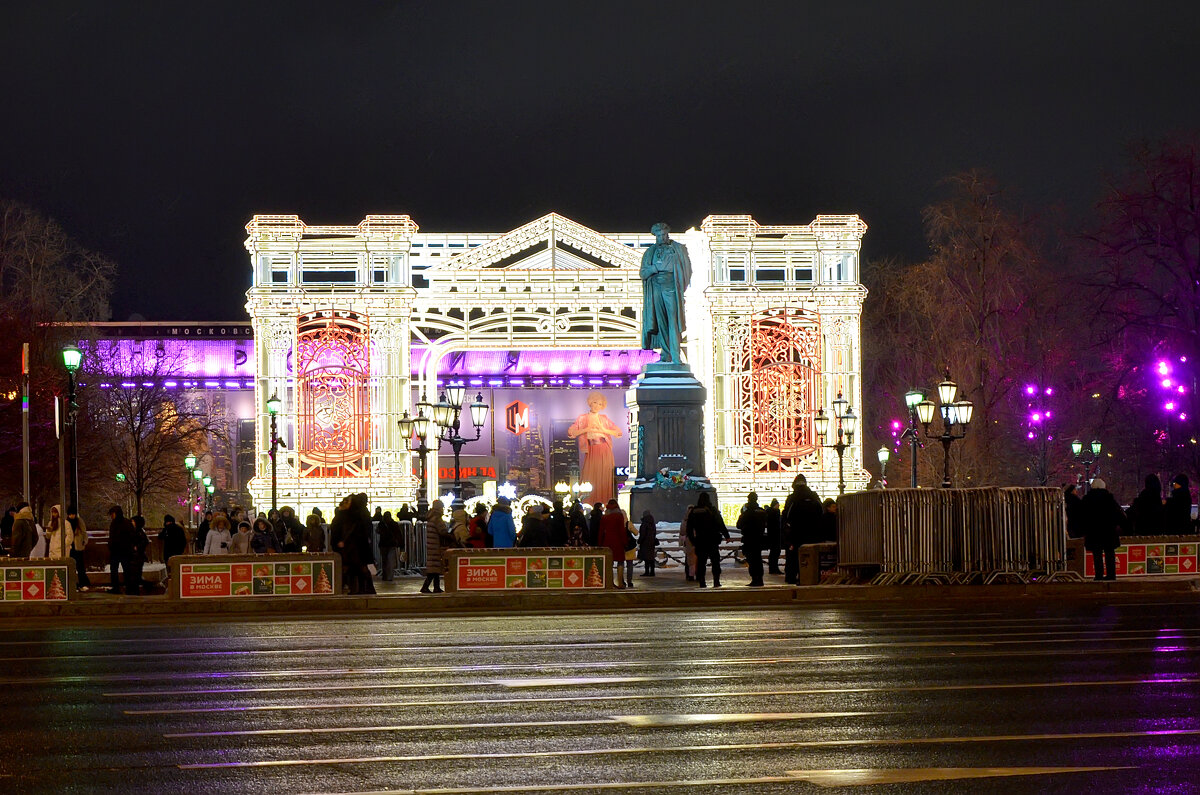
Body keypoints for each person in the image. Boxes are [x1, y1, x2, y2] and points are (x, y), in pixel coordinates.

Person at [639, 222, 692, 365]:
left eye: (663, 234)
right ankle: (666, 354)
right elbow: (643, 273)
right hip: (656, 288)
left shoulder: (678, 249)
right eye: (658, 235)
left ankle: (675, 356)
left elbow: (687, 270)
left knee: (673, 321)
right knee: (661, 322)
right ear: (655, 236)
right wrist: (655, 268)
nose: (661, 237)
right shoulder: (650, 252)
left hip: (671, 287)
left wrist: (681, 287)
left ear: (667, 234)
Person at [566, 391, 623, 504]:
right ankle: (589, 503)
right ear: (590, 403)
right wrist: (586, 429)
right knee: (589, 477)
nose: (597, 406)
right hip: (591, 450)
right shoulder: (582, 418)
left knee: (604, 477)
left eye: (600, 404)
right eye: (595, 402)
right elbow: (571, 432)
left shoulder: (604, 418)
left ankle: (605, 503)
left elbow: (618, 432)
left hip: (604, 449)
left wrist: (603, 429)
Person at [1081, 477, 1128, 581]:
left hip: (1093, 531)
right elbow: (1119, 515)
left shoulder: (1087, 499)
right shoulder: (1109, 499)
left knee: (1097, 553)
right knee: (1109, 553)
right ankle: (1111, 575)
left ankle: (1098, 575)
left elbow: (1082, 516)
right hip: (1108, 531)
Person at [782, 474, 822, 584]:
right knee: (811, 555)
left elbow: (787, 515)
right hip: (813, 532)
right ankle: (809, 576)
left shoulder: (792, 498)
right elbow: (820, 512)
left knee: (793, 556)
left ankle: (791, 577)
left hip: (797, 533)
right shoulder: (814, 496)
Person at [687, 492, 729, 587]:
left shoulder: (694, 511)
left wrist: (693, 540)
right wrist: (726, 535)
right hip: (712, 540)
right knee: (715, 562)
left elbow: (689, 528)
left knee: (701, 562)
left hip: (700, 540)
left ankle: (702, 581)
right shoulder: (712, 510)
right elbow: (720, 523)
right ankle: (716, 581)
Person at [421, 499, 455, 593]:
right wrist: (450, 535)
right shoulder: (437, 518)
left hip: (432, 544)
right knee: (434, 568)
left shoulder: (431, 517)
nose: (443, 509)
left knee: (435, 568)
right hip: (435, 545)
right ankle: (426, 586)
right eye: (442, 507)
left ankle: (436, 587)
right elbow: (442, 531)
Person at [737, 492, 767, 587]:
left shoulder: (748, 512)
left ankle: (755, 579)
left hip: (749, 539)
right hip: (759, 538)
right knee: (758, 558)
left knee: (752, 560)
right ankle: (760, 579)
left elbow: (739, 525)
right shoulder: (761, 511)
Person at [598, 499, 629, 588]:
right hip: (618, 542)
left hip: (607, 542)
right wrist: (625, 542)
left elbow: (601, 531)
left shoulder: (605, 517)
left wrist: (600, 543)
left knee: (609, 563)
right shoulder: (619, 516)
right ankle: (620, 582)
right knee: (620, 562)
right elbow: (621, 530)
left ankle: (609, 582)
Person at [107, 506, 135, 592]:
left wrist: (111, 546)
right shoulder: (127, 523)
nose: (111, 516)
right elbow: (132, 536)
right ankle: (129, 587)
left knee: (115, 570)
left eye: (112, 514)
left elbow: (112, 537)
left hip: (117, 551)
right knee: (126, 569)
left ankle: (116, 587)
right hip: (124, 551)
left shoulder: (114, 524)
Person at [67, 507, 91, 591]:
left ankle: (82, 583)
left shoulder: (79, 521)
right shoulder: (67, 522)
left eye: (73, 514)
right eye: (71, 514)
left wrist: (84, 541)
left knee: (80, 566)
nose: (72, 516)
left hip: (77, 546)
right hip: (71, 546)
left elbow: (84, 532)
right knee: (75, 565)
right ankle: (78, 583)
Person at [127, 515, 151, 595]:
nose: (132, 523)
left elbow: (144, 542)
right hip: (137, 556)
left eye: (133, 521)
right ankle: (137, 589)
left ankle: (138, 589)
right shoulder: (139, 531)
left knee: (135, 575)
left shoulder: (139, 532)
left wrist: (136, 547)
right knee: (136, 575)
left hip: (137, 556)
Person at [379, 510, 400, 579]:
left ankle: (385, 575)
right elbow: (398, 534)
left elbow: (378, 531)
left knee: (384, 561)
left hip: (383, 544)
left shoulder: (381, 524)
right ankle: (390, 576)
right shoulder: (394, 524)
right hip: (391, 544)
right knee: (390, 560)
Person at [637, 510, 658, 576]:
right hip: (651, 542)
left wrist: (639, 541)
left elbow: (642, 534)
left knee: (646, 558)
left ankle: (647, 571)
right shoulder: (652, 523)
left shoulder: (644, 523)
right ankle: (652, 571)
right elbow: (654, 532)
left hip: (645, 543)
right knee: (651, 558)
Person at [765, 498, 782, 575]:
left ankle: (772, 568)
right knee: (775, 552)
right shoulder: (775, 513)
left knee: (773, 553)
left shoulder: (769, 513)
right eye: (778, 504)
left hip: (771, 535)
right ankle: (774, 568)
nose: (779, 506)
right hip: (776, 535)